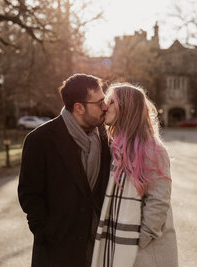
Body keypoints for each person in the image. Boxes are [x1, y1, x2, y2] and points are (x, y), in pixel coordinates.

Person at [18, 73, 111, 267]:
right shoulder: (40, 139)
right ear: (79, 107)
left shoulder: (106, 137)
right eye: (100, 102)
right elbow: (29, 194)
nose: (105, 107)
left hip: (99, 249)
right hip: (57, 251)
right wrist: (45, 232)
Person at [91, 83, 178, 267]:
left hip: (145, 249)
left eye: (111, 102)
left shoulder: (152, 149)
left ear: (127, 108)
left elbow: (159, 201)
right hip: (121, 242)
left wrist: (139, 240)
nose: (105, 107)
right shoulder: (116, 147)